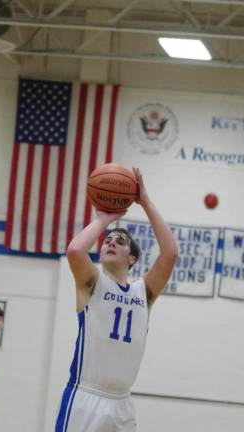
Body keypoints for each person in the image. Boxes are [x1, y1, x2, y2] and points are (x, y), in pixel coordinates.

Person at [55, 167, 178, 432]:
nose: (110, 242)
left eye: (120, 241)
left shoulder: (142, 292)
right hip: (85, 396)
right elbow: (76, 250)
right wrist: (104, 219)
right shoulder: (92, 283)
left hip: (122, 403)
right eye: (107, 240)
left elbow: (170, 253)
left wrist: (145, 202)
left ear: (132, 258)